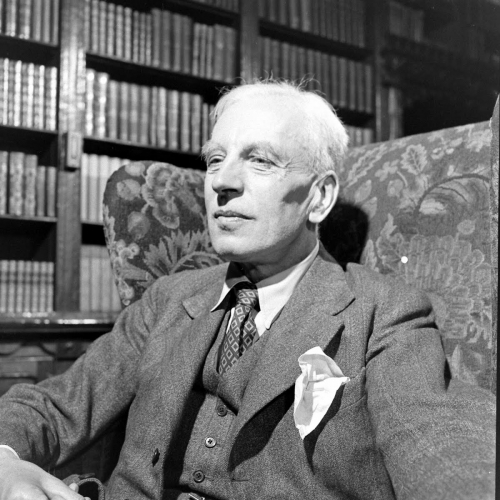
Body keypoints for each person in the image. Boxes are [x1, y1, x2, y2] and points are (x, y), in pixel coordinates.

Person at [0, 80, 495, 500]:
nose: (223, 181)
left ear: (319, 196)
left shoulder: (383, 313)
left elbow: (441, 442)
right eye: (215, 159)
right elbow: (57, 404)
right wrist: (3, 462)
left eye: (260, 160)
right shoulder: (168, 300)